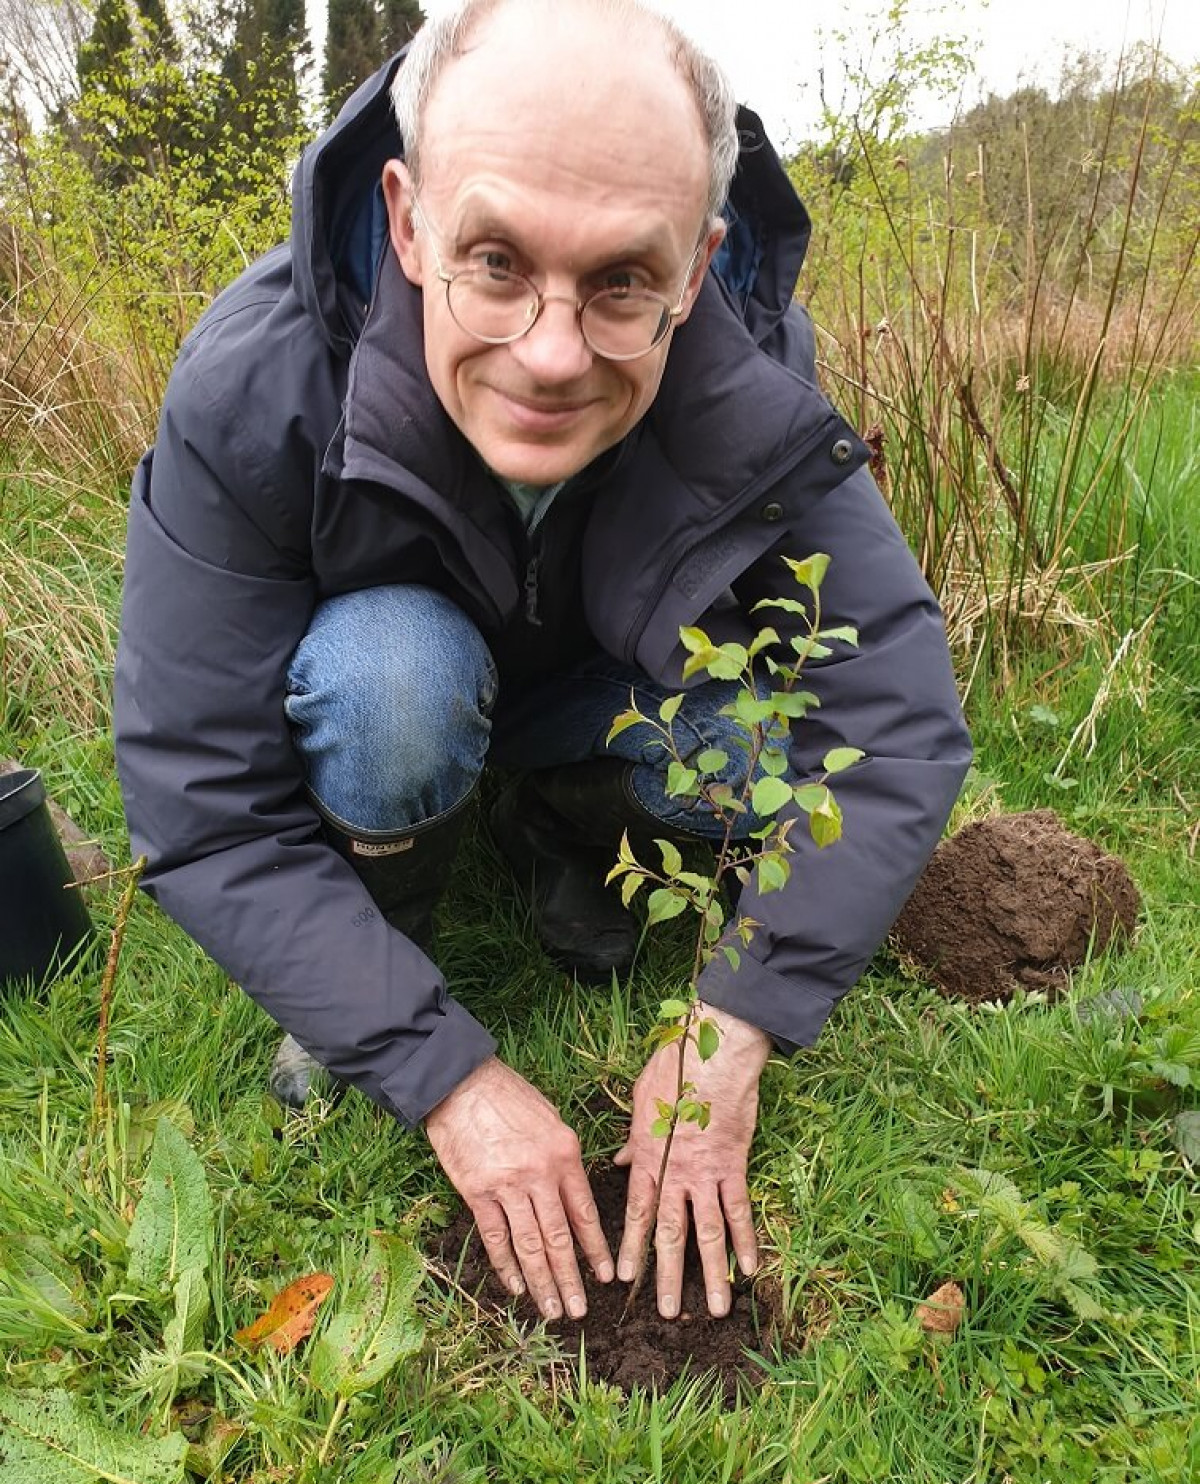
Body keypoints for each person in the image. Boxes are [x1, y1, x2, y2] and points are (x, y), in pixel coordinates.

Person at [114, 0, 972, 1326]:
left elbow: (898, 716)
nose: (554, 353)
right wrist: (443, 1072)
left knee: (756, 753)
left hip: (597, 697)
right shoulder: (260, 384)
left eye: (624, 280)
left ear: (700, 264)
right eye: (497, 261)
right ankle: (379, 939)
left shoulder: (749, 385)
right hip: (392, 694)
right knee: (391, 682)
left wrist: (740, 1016)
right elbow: (204, 805)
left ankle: (569, 839)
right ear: (408, 221)